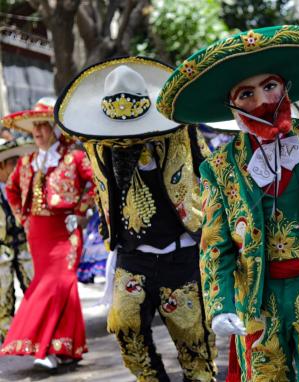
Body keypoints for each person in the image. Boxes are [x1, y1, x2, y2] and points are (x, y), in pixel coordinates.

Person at [157, 25, 299, 381]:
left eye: (269, 86)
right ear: (231, 106)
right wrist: (220, 305)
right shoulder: (219, 167)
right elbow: (214, 245)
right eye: (246, 93)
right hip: (255, 295)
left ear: (286, 87)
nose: (262, 101)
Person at [54, 57, 217, 382]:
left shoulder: (181, 134)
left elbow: (212, 175)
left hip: (180, 253)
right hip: (132, 256)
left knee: (193, 342)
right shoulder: (99, 146)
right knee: (124, 326)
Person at [0, 97, 94, 369]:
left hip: (66, 229)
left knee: (59, 283)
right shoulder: (28, 160)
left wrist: (82, 211)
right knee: (59, 287)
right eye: (35, 128)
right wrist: (22, 218)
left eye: (43, 126)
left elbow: (96, 184)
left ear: (55, 128)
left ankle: (45, 346)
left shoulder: (74, 157)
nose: (37, 132)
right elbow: (13, 189)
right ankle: (63, 346)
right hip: (38, 234)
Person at [0, 136, 35, 343]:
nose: (16, 167)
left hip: (24, 244)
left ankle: (39, 332)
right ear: (2, 165)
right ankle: (8, 338)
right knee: (2, 296)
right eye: (13, 163)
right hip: (2, 247)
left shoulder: (22, 185)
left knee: (34, 288)